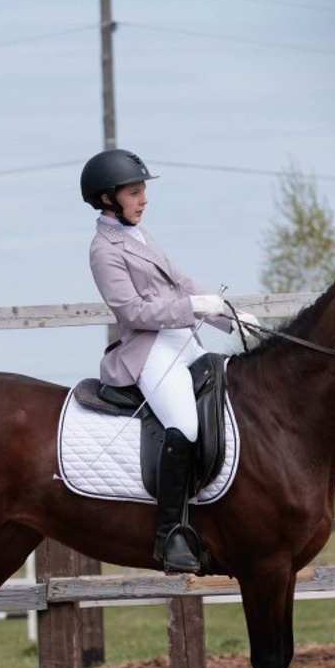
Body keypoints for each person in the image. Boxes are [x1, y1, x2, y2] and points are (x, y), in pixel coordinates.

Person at [80, 148, 250, 574]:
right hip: (149, 351)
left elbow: (182, 282)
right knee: (185, 425)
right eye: (135, 192)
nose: (143, 199)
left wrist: (229, 317)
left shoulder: (140, 235)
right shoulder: (104, 250)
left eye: (142, 191)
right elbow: (133, 313)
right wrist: (193, 307)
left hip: (182, 341)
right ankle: (170, 534)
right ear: (107, 199)